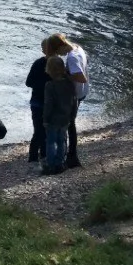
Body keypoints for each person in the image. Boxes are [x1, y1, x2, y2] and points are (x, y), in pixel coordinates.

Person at [43, 32, 88, 167]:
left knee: (70, 125)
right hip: (83, 91)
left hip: (76, 93)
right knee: (68, 124)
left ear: (60, 47)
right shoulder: (77, 48)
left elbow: (81, 78)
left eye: (57, 51)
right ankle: (68, 156)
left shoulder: (72, 58)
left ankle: (71, 156)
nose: (59, 55)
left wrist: (64, 74)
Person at [40, 56, 78, 175]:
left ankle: (51, 165)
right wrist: (72, 116)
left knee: (51, 141)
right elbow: (74, 101)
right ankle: (60, 163)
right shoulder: (69, 83)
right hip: (66, 117)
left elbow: (48, 104)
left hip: (52, 119)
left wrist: (45, 119)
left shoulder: (50, 85)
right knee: (62, 140)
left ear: (49, 70)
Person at [25, 48, 49, 161]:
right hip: (39, 103)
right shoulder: (39, 63)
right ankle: (34, 156)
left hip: (45, 103)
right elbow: (28, 82)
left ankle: (42, 154)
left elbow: (29, 82)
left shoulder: (56, 63)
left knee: (42, 130)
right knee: (40, 130)